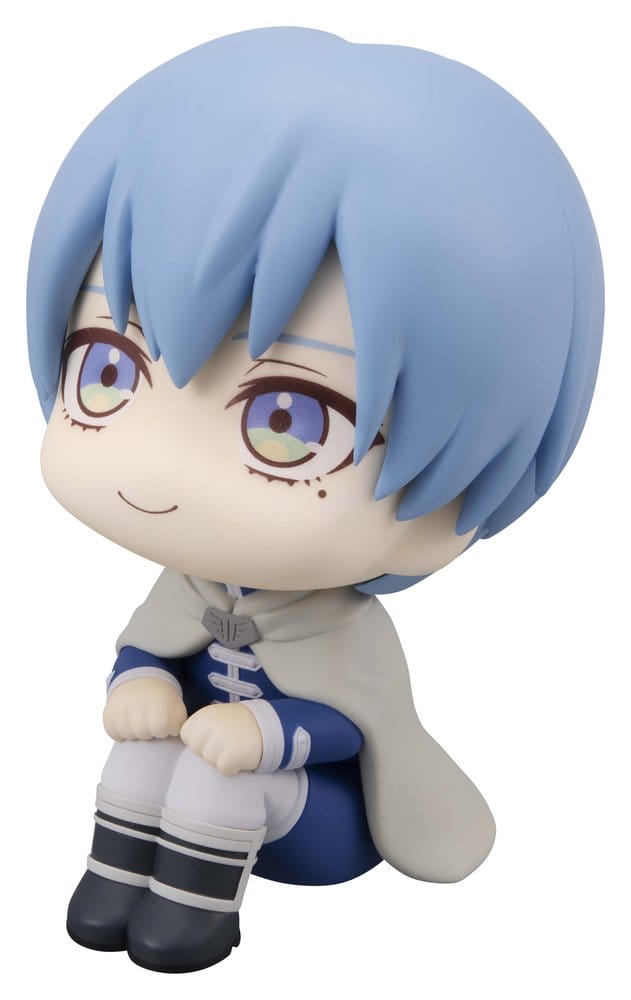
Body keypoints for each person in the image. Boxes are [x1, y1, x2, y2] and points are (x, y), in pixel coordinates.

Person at [27, 27, 604, 974]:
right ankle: (113, 882)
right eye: (107, 370)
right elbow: (146, 649)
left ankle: (194, 916)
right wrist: (137, 685)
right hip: (192, 773)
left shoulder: (345, 634)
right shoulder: (185, 587)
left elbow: (348, 722)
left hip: (312, 821)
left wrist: (260, 732)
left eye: (289, 420)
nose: (157, 471)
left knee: (215, 787)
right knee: (137, 758)